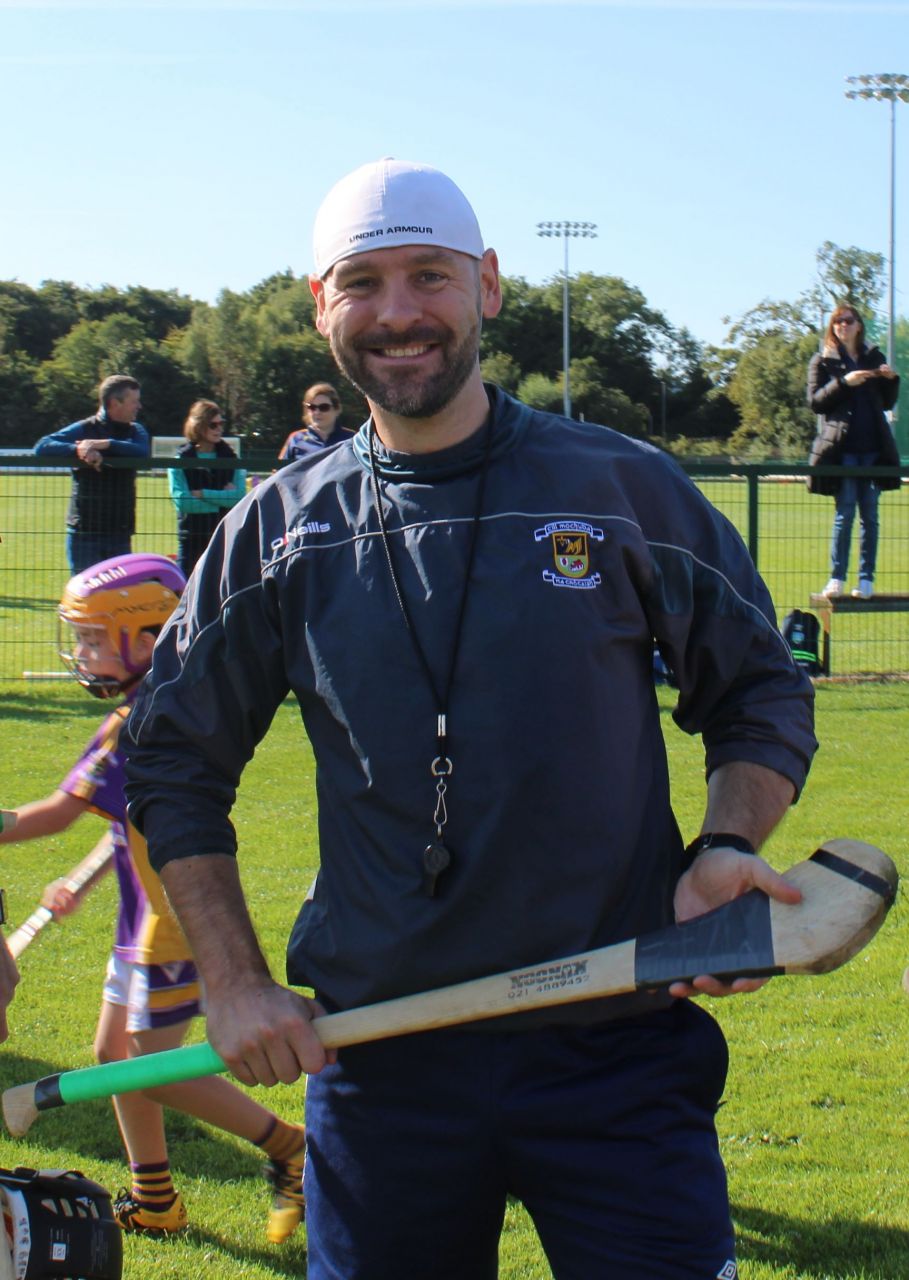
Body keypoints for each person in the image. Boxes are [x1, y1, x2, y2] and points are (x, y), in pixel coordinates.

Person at [121, 159, 817, 1280]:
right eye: (364, 282)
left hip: (617, 1046)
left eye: (430, 276)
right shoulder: (279, 530)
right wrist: (238, 977)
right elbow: (170, 764)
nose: (398, 313)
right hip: (379, 1059)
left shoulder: (619, 486)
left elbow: (759, 687)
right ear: (321, 304)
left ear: (488, 285)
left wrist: (728, 842)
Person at [0, 553, 305, 1244]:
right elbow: (131, 822)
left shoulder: (134, 724)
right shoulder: (162, 700)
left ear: (146, 636)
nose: (79, 653)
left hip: (168, 930)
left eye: (91, 638)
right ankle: (155, 1200)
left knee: (148, 1069)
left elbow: (53, 814)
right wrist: (83, 876)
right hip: (143, 921)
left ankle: (290, 1147)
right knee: (117, 1060)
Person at [807, 304, 900, 599]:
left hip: (873, 450)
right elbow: (816, 402)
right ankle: (837, 578)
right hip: (842, 451)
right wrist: (844, 383)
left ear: (859, 325)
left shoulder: (874, 357)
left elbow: (886, 403)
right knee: (844, 514)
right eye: (837, 322)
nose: (842, 326)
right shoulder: (822, 360)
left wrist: (891, 380)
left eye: (847, 321)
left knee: (870, 517)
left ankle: (866, 579)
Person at [34, 375, 151, 575]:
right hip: (84, 532)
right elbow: (42, 446)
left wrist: (104, 444)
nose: (139, 406)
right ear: (115, 403)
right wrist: (78, 450)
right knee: (85, 601)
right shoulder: (84, 428)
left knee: (120, 601)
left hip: (119, 533)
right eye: (134, 401)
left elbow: (142, 452)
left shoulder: (135, 430)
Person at [168, 400, 247, 577]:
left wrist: (202, 494)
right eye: (213, 425)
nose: (219, 429)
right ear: (199, 425)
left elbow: (239, 498)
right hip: (190, 539)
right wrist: (222, 500)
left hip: (223, 537)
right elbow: (182, 502)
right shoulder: (180, 459)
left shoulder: (231, 458)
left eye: (221, 424)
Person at [277, 382, 352, 463]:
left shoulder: (352, 440)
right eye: (312, 407)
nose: (317, 412)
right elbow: (280, 472)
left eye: (324, 407)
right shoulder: (296, 439)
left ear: (337, 409)